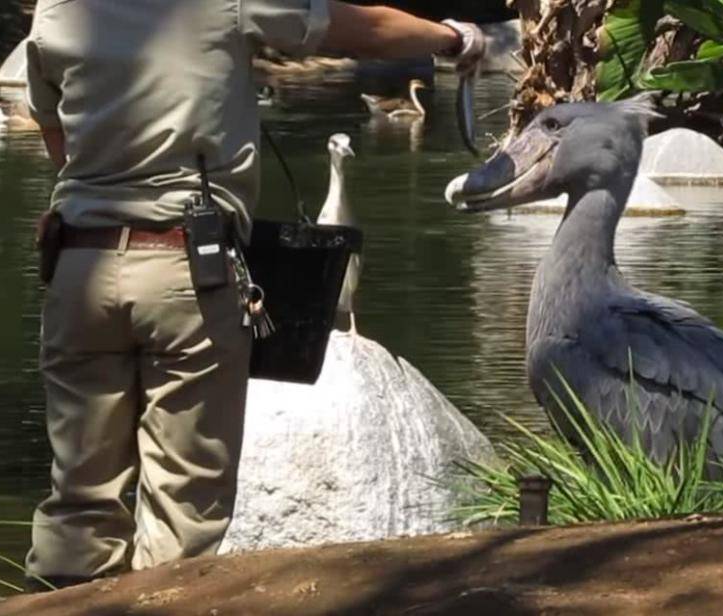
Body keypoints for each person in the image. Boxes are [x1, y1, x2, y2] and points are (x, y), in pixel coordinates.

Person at [24, 0, 484, 589]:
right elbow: (358, 29)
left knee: (79, 500)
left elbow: (55, 135)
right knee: (182, 509)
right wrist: (452, 38)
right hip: (187, 272)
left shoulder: (57, 8)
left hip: (79, 270)